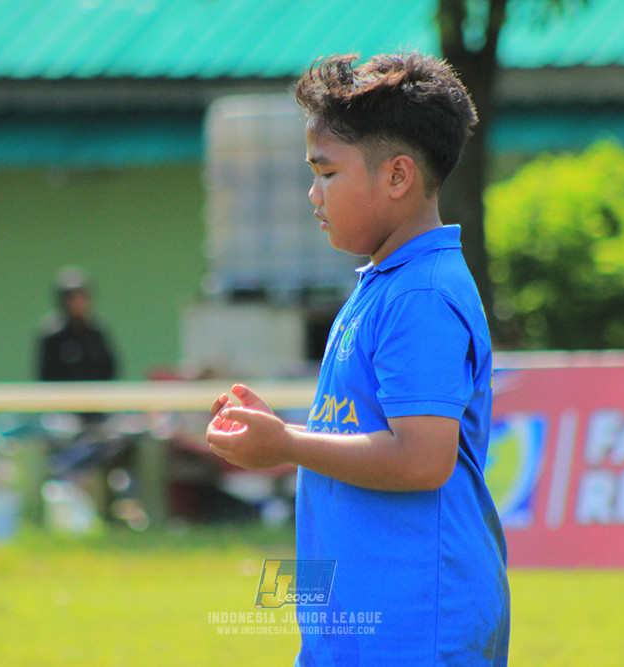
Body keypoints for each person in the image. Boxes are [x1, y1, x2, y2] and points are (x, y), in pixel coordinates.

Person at [205, 52, 509, 665]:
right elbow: (367, 433)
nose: (312, 194)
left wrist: (287, 444)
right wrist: (289, 431)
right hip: (360, 625)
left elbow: (424, 458)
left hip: (418, 628)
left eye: (327, 172)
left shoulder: (421, 294)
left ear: (397, 177)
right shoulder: (384, 283)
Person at [37, 266, 118, 382]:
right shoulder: (52, 335)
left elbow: (111, 370)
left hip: (95, 397)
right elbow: (45, 376)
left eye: (80, 295)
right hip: (62, 398)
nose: (76, 301)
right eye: (70, 296)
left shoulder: (98, 332)